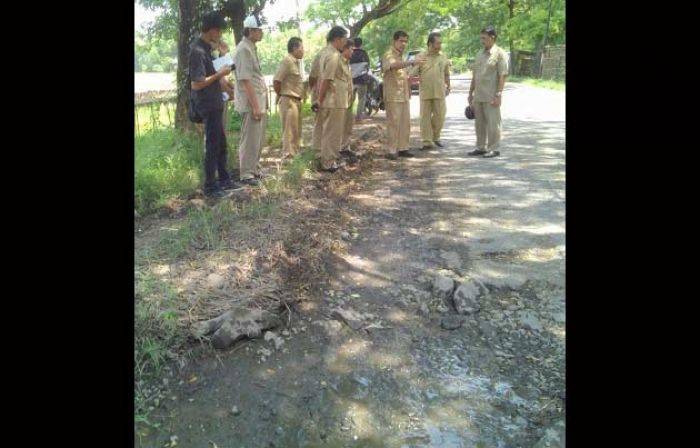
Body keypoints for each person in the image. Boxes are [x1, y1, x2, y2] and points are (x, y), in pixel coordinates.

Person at [189, 11, 236, 198]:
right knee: (213, 144)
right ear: (212, 30)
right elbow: (196, 83)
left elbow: (220, 73)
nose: (220, 35)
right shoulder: (197, 51)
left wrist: (228, 88)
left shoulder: (208, 49)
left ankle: (224, 179)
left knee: (221, 143)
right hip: (207, 104)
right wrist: (219, 75)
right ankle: (210, 186)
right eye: (219, 32)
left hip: (216, 102)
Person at [233, 15, 268, 186]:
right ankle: (246, 173)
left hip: (258, 100)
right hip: (250, 102)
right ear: (251, 31)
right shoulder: (243, 50)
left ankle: (254, 168)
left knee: (258, 138)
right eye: (259, 30)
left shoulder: (251, 48)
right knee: (250, 138)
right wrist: (255, 106)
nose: (261, 33)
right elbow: (245, 80)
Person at [382, 30, 424, 160]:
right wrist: (411, 62)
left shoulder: (401, 56)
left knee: (405, 123)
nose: (403, 44)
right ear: (394, 41)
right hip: (393, 95)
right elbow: (393, 66)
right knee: (393, 123)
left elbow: (404, 76)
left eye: (405, 41)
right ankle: (392, 150)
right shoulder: (389, 54)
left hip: (404, 95)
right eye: (401, 41)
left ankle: (403, 148)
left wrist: (409, 90)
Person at [468, 25, 508, 158]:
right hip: (478, 95)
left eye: (484, 38)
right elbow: (475, 75)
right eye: (481, 38)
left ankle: (494, 148)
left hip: (491, 95)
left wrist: (499, 94)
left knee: (493, 124)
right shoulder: (479, 54)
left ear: (493, 38)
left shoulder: (500, 54)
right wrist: (470, 93)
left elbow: (503, 75)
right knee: (479, 124)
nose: (482, 41)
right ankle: (480, 147)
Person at [317, 26, 350, 172]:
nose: (346, 42)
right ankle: (328, 162)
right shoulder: (334, 55)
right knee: (333, 132)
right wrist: (320, 99)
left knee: (329, 131)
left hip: (335, 99)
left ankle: (329, 160)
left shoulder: (326, 52)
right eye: (344, 39)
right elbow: (326, 79)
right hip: (334, 100)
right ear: (337, 39)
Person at [414, 32, 451, 151]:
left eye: (441, 43)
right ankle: (427, 142)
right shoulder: (421, 56)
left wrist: (448, 86)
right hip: (425, 92)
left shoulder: (443, 56)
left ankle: (436, 137)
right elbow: (412, 72)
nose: (440, 45)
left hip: (439, 91)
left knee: (440, 116)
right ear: (430, 43)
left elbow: (446, 73)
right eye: (438, 43)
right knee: (425, 117)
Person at [273, 37, 305, 159]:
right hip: (289, 99)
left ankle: (294, 154)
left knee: (295, 130)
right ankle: (288, 156)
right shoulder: (287, 61)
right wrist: (282, 95)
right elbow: (277, 80)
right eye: (301, 48)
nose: (303, 50)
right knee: (289, 131)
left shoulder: (295, 62)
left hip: (295, 100)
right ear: (294, 48)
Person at [340, 39, 356, 157]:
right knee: (339, 126)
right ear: (345, 49)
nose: (352, 52)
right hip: (339, 100)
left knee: (348, 125)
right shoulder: (338, 62)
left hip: (349, 98)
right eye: (351, 49)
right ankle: (337, 150)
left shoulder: (347, 64)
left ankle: (345, 147)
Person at [349, 37, 370, 121]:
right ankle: (359, 117)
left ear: (353, 44)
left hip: (351, 81)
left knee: (350, 100)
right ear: (361, 44)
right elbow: (368, 67)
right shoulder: (364, 54)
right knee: (362, 99)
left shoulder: (350, 53)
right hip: (362, 81)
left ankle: (348, 117)